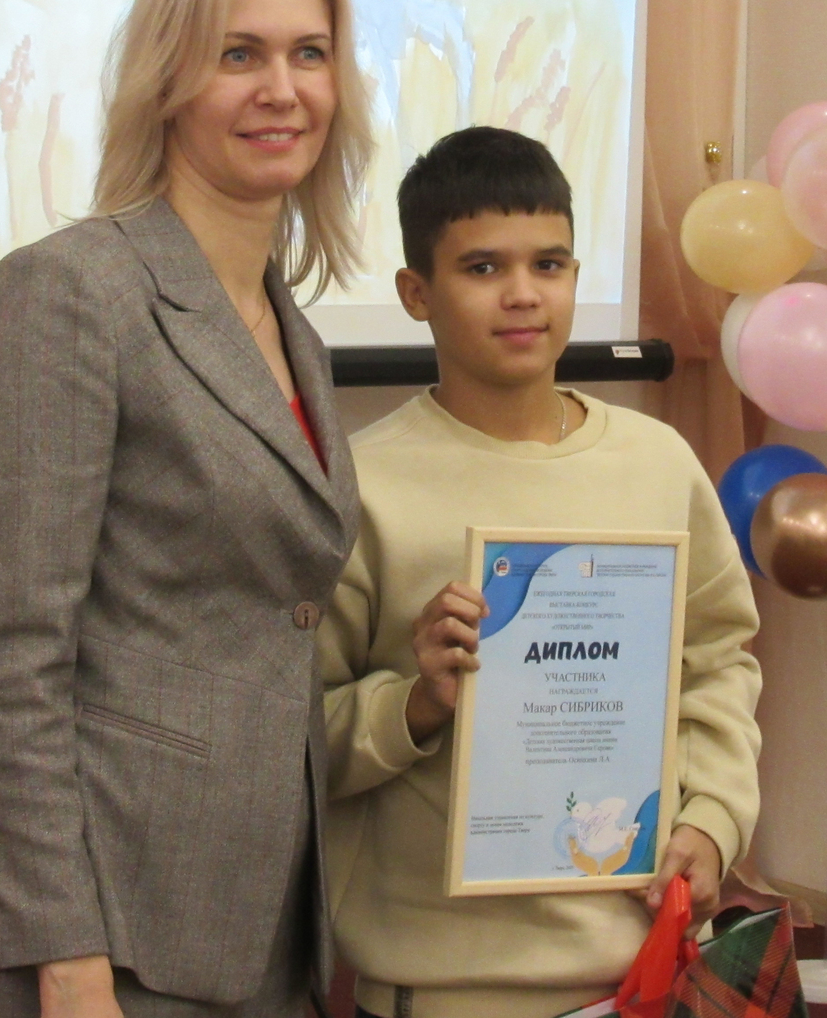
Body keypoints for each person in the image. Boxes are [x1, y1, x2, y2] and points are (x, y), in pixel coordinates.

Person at [0, 0, 374, 1018]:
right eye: (239, 55)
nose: (281, 90)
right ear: (168, 79)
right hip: (104, 933)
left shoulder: (293, 333)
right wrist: (65, 951)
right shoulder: (70, 294)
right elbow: (8, 664)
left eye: (308, 53)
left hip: (259, 919)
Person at [318, 127, 762, 1018]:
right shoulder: (360, 484)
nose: (523, 294)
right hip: (438, 987)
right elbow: (294, 734)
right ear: (416, 293)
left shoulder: (657, 461)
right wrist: (416, 704)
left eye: (549, 265)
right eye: (482, 267)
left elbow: (718, 665)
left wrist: (713, 819)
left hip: (640, 972)